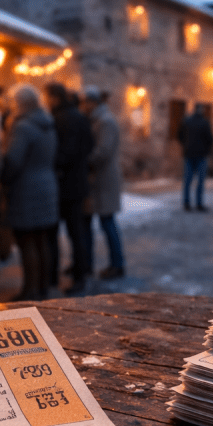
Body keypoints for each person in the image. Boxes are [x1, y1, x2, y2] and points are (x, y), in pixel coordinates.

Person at [1, 85, 58, 301]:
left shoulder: (23, 126)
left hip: (26, 188)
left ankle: (31, 290)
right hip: (47, 185)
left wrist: (3, 175)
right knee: (42, 239)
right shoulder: (47, 123)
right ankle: (43, 286)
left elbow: (13, 160)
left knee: (27, 241)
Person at [45, 82, 93, 294]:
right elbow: (89, 144)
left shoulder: (60, 118)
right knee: (77, 233)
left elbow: (67, 152)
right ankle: (79, 274)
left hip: (64, 183)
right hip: (78, 183)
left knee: (58, 233)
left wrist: (54, 163)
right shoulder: (79, 116)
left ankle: (58, 277)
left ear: (54, 97)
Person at [81, 86, 125, 280]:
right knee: (96, 222)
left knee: (107, 222)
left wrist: (83, 162)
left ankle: (117, 264)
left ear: (93, 102)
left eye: (85, 102)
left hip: (104, 180)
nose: (82, 106)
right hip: (98, 180)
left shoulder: (105, 121)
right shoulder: (98, 120)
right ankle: (86, 263)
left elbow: (103, 152)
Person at [177, 103, 213, 212]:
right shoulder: (205, 122)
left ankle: (187, 203)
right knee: (200, 181)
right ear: (201, 110)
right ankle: (199, 203)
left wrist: (185, 145)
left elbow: (179, 136)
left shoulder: (186, 121)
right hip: (200, 155)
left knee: (188, 180)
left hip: (189, 154)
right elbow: (210, 139)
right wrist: (206, 149)